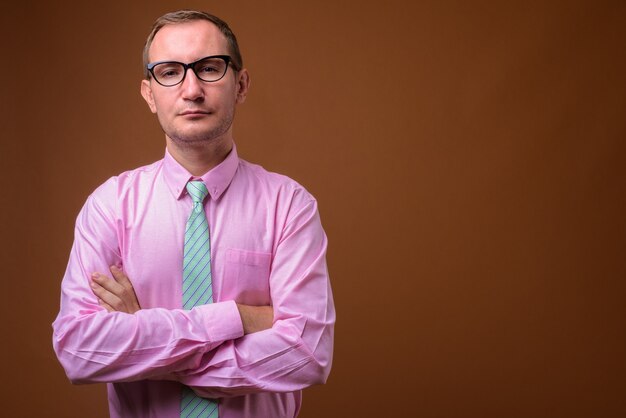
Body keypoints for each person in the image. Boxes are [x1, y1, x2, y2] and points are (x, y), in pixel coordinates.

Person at [52, 10, 335, 418]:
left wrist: (145, 336)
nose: (191, 89)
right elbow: (79, 350)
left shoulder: (290, 206)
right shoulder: (109, 206)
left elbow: (308, 354)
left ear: (240, 84)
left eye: (209, 68)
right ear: (149, 94)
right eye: (170, 71)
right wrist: (235, 318)